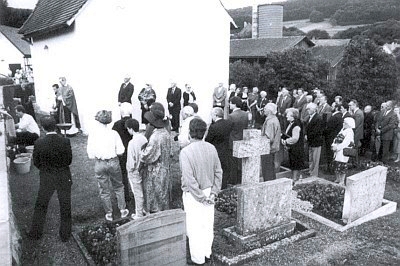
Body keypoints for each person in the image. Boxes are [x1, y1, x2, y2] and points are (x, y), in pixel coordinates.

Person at [180, 118, 222, 266]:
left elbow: (189, 179)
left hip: (194, 195)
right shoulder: (211, 148)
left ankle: (198, 259)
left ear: (190, 132)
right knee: (207, 223)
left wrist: (202, 197)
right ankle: (206, 253)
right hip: (208, 191)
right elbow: (218, 172)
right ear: (204, 132)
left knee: (194, 226)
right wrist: (213, 193)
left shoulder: (185, 152)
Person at [28, 116, 73, 242]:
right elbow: (69, 160)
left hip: (47, 177)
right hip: (63, 176)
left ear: (42, 127)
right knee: (65, 205)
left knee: (41, 204)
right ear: (56, 126)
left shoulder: (39, 143)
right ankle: (65, 234)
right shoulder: (65, 141)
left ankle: (36, 233)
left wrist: (46, 168)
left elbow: (36, 162)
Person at [87, 110, 129, 221]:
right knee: (119, 186)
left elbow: (90, 154)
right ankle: (123, 210)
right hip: (113, 161)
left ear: (97, 120)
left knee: (104, 189)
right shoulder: (113, 133)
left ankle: (109, 213)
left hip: (100, 163)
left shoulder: (93, 135)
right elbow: (121, 150)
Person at [140, 102, 171, 213]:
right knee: (163, 192)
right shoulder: (166, 133)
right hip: (165, 167)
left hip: (156, 170)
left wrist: (141, 151)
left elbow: (147, 156)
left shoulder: (156, 137)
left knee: (156, 193)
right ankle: (162, 211)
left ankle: (156, 214)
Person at [125, 118, 148, 219]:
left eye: (128, 129)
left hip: (135, 170)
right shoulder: (144, 138)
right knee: (145, 190)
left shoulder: (132, 143)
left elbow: (131, 161)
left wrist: (129, 170)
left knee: (137, 193)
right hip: (144, 168)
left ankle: (139, 214)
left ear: (130, 129)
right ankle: (145, 209)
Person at [205, 107, 233, 189]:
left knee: (216, 170)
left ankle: (217, 187)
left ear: (215, 115)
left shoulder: (213, 127)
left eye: (212, 115)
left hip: (216, 150)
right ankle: (224, 186)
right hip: (226, 149)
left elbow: (208, 140)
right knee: (225, 168)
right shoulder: (228, 123)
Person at [112, 103, 134, 203]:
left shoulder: (116, 124)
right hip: (132, 151)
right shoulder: (134, 123)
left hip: (121, 153)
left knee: (123, 175)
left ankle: (126, 195)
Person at [227, 96, 248, 185]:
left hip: (232, 140)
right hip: (242, 139)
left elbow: (227, 129)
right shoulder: (245, 114)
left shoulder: (231, 116)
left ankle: (233, 180)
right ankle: (240, 178)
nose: (229, 104)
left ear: (234, 104)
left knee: (233, 162)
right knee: (240, 161)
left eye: (231, 103)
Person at [281, 108, 305, 183]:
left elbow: (295, 139)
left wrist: (285, 142)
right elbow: (288, 133)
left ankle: (295, 179)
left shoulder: (296, 125)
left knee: (295, 163)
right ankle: (295, 178)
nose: (286, 116)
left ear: (293, 116)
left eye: (288, 115)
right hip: (293, 148)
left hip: (296, 148)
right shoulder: (291, 123)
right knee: (293, 162)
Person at [331, 117, 355, 185]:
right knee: (336, 164)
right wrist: (333, 145)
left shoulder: (350, 132)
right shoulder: (342, 130)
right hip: (337, 150)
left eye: (345, 122)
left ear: (348, 124)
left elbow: (346, 143)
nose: (343, 123)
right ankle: (337, 178)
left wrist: (337, 147)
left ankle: (342, 180)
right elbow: (336, 138)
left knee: (342, 166)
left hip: (343, 151)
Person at [261, 103, 281, 181]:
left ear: (269, 111)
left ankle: (268, 184)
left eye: (265, 109)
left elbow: (269, 137)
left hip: (268, 149)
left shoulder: (270, 122)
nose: (264, 110)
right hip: (271, 149)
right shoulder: (273, 119)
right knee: (270, 168)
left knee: (267, 170)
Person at [324, 103, 343, 174]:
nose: (331, 107)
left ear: (336, 108)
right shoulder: (339, 116)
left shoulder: (335, 117)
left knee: (330, 153)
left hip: (330, 137)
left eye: (332, 106)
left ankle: (330, 169)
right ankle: (332, 168)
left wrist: (324, 132)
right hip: (334, 137)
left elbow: (329, 128)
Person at [305, 103, 323, 178]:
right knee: (311, 158)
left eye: (309, 109)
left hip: (316, 141)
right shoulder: (310, 117)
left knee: (315, 159)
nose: (308, 110)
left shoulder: (318, 118)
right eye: (307, 109)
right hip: (311, 141)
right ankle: (310, 171)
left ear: (314, 109)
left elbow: (316, 131)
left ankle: (314, 174)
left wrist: (307, 136)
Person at [349, 99, 364, 167]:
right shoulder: (357, 112)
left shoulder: (358, 113)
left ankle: (355, 163)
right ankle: (354, 162)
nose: (349, 106)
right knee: (354, 148)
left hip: (356, 133)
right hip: (356, 133)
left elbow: (355, 125)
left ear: (354, 105)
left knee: (355, 148)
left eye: (350, 105)